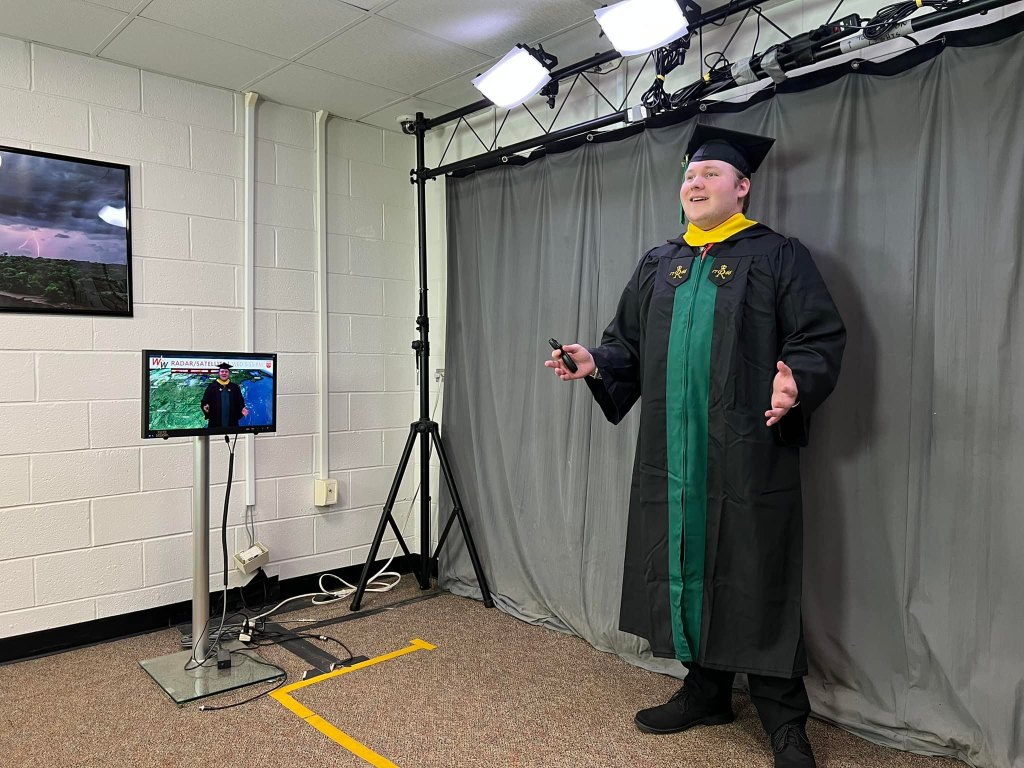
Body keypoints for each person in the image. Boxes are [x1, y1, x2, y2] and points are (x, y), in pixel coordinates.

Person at [544, 124, 846, 768]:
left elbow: (817, 337)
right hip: (672, 454)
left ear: (742, 187)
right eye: (689, 175)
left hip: (746, 450)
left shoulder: (777, 255)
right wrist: (594, 361)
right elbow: (625, 344)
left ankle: (784, 718)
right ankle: (706, 690)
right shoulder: (661, 264)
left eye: (711, 174)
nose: (696, 182)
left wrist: (798, 380)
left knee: (755, 572)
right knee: (682, 564)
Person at [200, 362, 248, 429]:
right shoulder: (212, 387)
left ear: (229, 373)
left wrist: (242, 409)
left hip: (232, 422)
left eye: (226, 372)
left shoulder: (235, 387)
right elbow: (204, 401)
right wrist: (205, 407)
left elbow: (240, 402)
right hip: (215, 422)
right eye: (222, 371)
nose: (224, 373)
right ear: (219, 373)